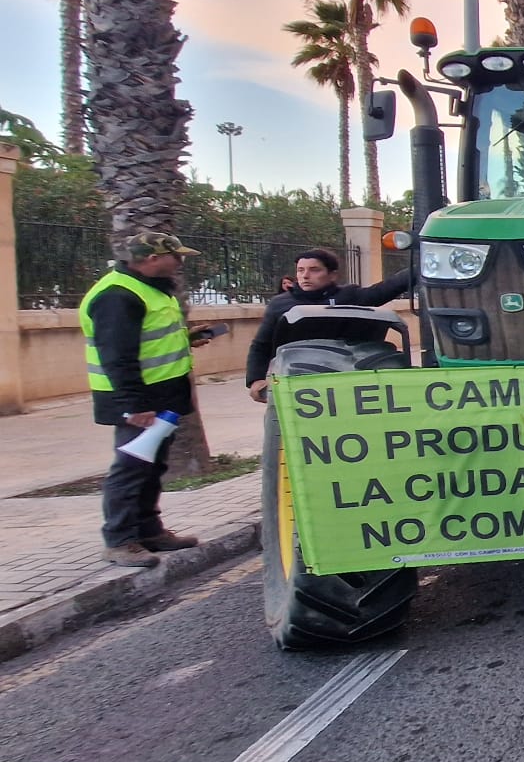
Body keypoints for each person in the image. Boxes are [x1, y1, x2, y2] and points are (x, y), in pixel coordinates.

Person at [79, 232, 217, 567]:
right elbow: (117, 356)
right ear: (152, 258)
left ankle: (149, 531)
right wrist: (134, 405)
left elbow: (147, 340)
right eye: (176, 256)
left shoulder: (151, 288)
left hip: (161, 395)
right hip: (139, 400)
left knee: (152, 467)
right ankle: (120, 540)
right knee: (131, 468)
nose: (181, 262)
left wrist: (188, 338)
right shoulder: (118, 296)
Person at [245, 249, 412, 403]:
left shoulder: (349, 296)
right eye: (300, 270)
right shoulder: (280, 304)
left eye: (314, 270)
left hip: (347, 382)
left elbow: (388, 287)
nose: (305, 275)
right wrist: (255, 379)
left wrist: (424, 264)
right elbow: (261, 344)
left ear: (332, 275)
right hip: (294, 381)